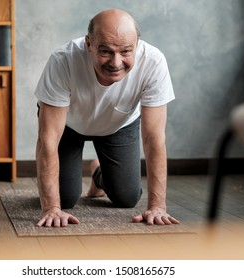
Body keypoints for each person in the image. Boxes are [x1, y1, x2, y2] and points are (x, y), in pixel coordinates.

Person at [34, 9, 180, 227]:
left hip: (119, 125)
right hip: (68, 126)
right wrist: (51, 208)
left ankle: (97, 173)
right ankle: (64, 196)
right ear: (89, 44)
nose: (116, 62)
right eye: (105, 51)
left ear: (137, 45)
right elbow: (48, 139)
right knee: (64, 199)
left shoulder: (154, 62)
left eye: (125, 51)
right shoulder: (62, 60)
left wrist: (157, 206)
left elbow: (153, 138)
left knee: (127, 198)